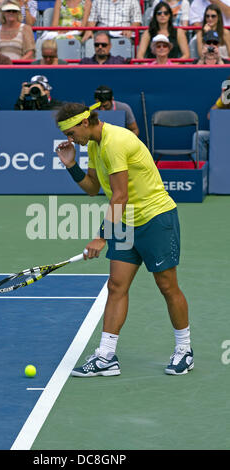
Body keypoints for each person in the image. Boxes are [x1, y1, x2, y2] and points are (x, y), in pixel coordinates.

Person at [55, 102, 193, 377]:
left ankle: (184, 350)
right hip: (125, 220)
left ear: (85, 123)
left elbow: (120, 196)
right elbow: (94, 189)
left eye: (72, 132)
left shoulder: (116, 141)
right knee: (116, 285)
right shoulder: (94, 145)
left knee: (167, 286)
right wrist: (71, 165)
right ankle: (106, 356)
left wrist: (100, 237)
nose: (71, 139)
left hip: (155, 219)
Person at [192, 76, 230, 160]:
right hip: (221, 135)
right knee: (199, 136)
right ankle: (201, 168)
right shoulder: (224, 101)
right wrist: (221, 100)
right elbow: (210, 116)